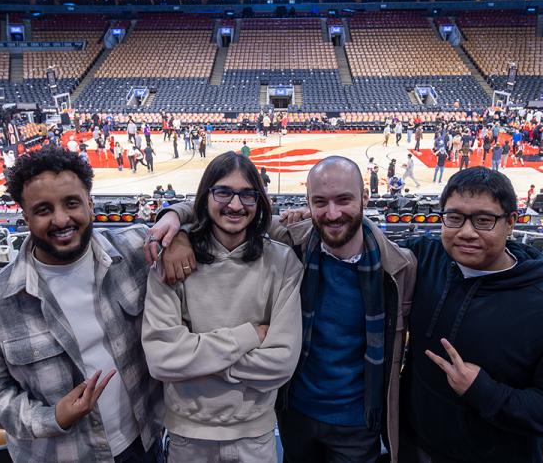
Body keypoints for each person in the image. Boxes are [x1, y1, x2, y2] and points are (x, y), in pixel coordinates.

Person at [147, 156, 417, 462]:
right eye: (320, 201)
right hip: (295, 414)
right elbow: (216, 209)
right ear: (308, 202)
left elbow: (280, 361)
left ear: (365, 197)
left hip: (357, 421)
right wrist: (174, 222)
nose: (332, 213)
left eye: (344, 200)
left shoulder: (400, 265)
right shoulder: (294, 241)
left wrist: (196, 366)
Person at [0, 147, 167, 462]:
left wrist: (178, 234)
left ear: (90, 204)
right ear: (25, 216)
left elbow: (197, 221)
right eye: (43, 209)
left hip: (144, 443)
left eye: (71, 203)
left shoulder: (137, 250)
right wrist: (52, 417)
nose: (61, 219)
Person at [398, 167, 543, 462]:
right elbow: (363, 247)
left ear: (510, 223)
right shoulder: (427, 257)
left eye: (484, 220)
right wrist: (310, 222)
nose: (466, 232)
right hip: (413, 447)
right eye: (455, 218)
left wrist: (485, 392)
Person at [142, 152, 303, 463]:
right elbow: (162, 360)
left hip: (255, 438)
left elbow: (281, 363)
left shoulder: (282, 263)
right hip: (188, 439)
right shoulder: (173, 263)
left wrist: (194, 364)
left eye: (247, 194)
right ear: (206, 197)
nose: (235, 204)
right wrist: (249, 337)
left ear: (259, 201)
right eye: (223, 192)